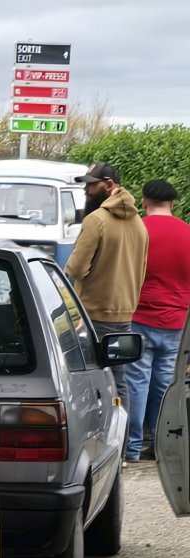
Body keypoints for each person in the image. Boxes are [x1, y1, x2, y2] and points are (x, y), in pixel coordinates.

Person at [65, 163, 148, 397]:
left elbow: (76, 268)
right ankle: (124, 434)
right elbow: (141, 269)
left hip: (94, 312)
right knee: (119, 381)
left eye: (92, 185)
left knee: (92, 383)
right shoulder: (139, 223)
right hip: (125, 313)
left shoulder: (96, 220)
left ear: (109, 184)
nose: (86, 191)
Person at [126, 179, 190, 460]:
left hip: (139, 316)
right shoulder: (187, 233)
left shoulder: (137, 231)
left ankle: (132, 447)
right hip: (177, 321)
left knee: (136, 382)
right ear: (172, 204)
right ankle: (162, 447)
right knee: (165, 383)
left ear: (144, 202)